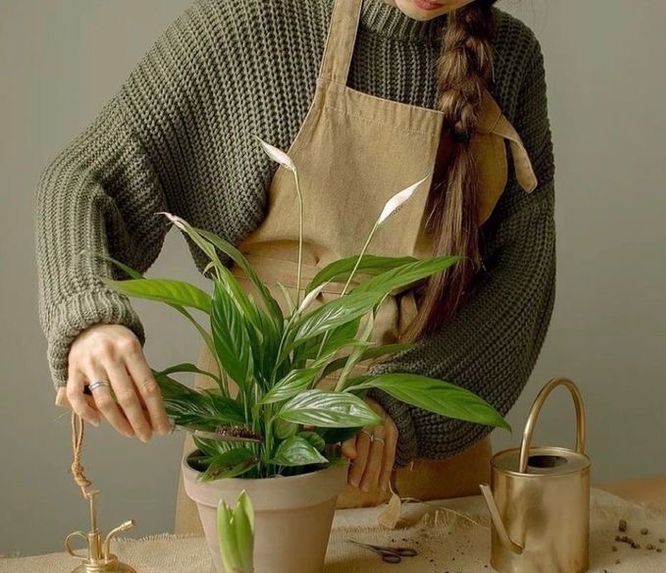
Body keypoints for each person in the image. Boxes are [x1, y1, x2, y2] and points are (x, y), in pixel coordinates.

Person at [36, 0, 555, 526]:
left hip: (433, 459)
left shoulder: (510, 59)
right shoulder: (258, 24)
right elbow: (82, 179)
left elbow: (523, 278)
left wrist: (405, 412)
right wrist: (88, 316)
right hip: (259, 453)